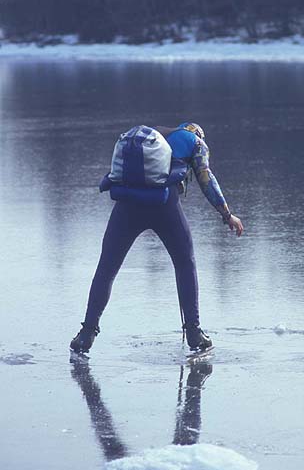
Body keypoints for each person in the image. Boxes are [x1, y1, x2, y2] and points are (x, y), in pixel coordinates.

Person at [70, 122, 243, 354]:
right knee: (184, 263)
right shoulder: (196, 143)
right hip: (165, 208)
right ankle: (193, 332)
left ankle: (86, 334)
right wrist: (227, 214)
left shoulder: (155, 137)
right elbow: (205, 177)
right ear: (198, 134)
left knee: (107, 268)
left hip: (126, 207)